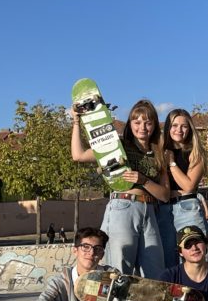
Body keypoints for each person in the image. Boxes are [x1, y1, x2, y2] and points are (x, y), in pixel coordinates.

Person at [71, 99, 168, 278]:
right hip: (123, 206)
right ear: (130, 124)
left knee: (155, 274)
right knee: (118, 272)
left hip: (150, 210)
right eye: (137, 122)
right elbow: (79, 155)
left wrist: (144, 181)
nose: (142, 127)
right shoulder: (119, 145)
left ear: (154, 125)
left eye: (148, 122)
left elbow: (165, 195)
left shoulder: (159, 153)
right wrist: (76, 122)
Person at [157, 109, 208, 267]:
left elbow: (188, 186)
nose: (179, 130)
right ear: (168, 127)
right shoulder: (159, 151)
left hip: (187, 208)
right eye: (174, 125)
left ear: (190, 128)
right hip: (163, 209)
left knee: (194, 261)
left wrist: (171, 163)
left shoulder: (195, 152)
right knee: (168, 263)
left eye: (184, 126)